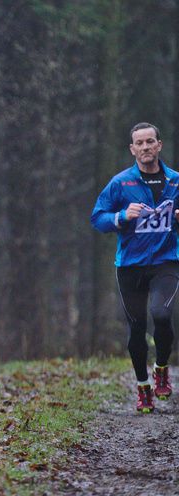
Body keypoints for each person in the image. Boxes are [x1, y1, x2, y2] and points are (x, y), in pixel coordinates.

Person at [91, 122, 179, 413]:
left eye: (150, 141)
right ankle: (143, 388)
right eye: (139, 143)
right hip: (130, 266)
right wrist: (121, 216)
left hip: (166, 261)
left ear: (159, 145)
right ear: (132, 149)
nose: (145, 147)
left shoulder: (175, 181)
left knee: (162, 314)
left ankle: (162, 368)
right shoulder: (121, 183)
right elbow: (97, 218)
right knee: (137, 328)